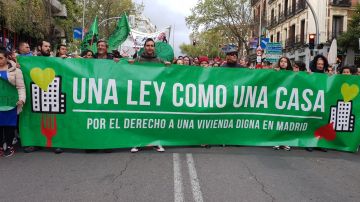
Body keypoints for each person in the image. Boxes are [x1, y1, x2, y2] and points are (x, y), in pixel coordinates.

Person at [129, 38, 167, 153]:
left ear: (154, 47)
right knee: (140, 118)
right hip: (140, 94)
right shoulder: (138, 59)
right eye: (148, 45)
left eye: (152, 45)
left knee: (155, 118)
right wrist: (128, 63)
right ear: (144, 47)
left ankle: (156, 142)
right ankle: (138, 142)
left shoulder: (160, 60)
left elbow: (167, 75)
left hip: (155, 94)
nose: (150, 47)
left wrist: (168, 66)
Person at [0, 49, 26, 157]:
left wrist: (22, 99)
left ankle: (9, 146)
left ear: (6, 58)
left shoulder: (16, 70)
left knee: (9, 127)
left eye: (1, 58)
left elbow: (20, 87)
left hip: (11, 103)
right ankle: (1, 146)